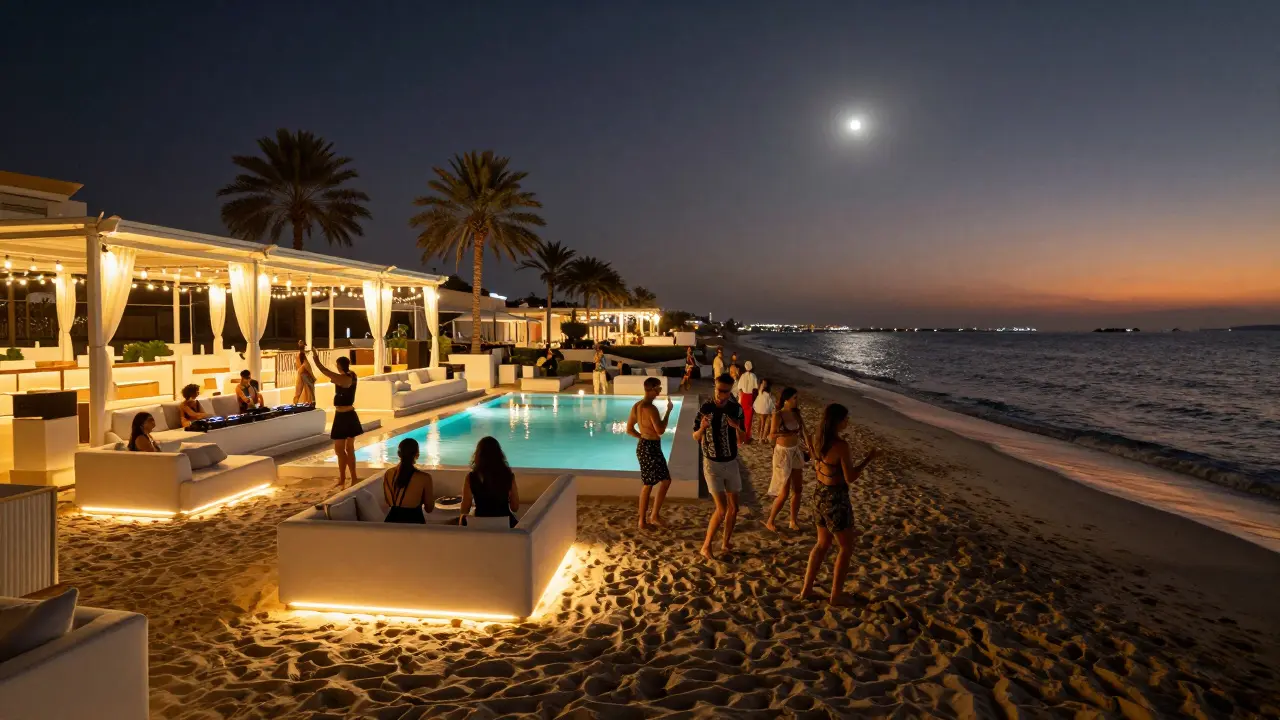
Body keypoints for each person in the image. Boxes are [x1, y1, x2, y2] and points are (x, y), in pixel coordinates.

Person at [797, 403, 880, 606]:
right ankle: (836, 595)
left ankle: (806, 590)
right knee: (845, 547)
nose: (848, 421)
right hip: (835, 499)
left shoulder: (818, 440)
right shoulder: (841, 446)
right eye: (846, 419)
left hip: (819, 495)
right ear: (838, 421)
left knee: (821, 544)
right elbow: (850, 477)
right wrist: (868, 459)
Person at [694, 374, 745, 560]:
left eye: (724, 391)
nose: (720, 393)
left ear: (730, 390)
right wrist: (702, 428)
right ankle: (706, 547)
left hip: (731, 462)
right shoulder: (705, 407)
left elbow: (742, 441)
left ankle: (725, 542)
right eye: (718, 389)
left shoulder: (736, 409)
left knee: (734, 508)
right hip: (712, 464)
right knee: (722, 509)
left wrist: (736, 428)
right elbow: (695, 437)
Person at [626, 377, 674, 530]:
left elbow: (629, 429)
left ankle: (649, 517)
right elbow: (660, 430)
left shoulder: (637, 406)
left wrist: (642, 437)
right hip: (651, 447)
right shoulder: (650, 408)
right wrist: (668, 411)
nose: (660, 390)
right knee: (652, 484)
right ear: (652, 388)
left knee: (658, 482)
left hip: (644, 446)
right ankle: (649, 518)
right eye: (658, 388)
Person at [312, 349, 362, 488]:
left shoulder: (346, 378)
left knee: (346, 449)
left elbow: (323, 370)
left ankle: (352, 478)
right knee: (341, 449)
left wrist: (315, 357)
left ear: (339, 365)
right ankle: (343, 478)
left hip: (347, 415)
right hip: (342, 415)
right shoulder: (350, 375)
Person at [765, 387, 809, 532]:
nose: (797, 400)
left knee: (797, 489)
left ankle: (793, 520)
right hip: (782, 454)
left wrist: (811, 449)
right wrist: (785, 433)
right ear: (787, 399)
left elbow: (805, 432)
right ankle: (770, 521)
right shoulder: (778, 415)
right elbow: (771, 435)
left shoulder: (797, 414)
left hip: (796, 451)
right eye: (795, 398)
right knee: (783, 493)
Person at [460, 436, 520, 528]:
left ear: (478, 455)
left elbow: (465, 508)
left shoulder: (471, 477)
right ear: (499, 455)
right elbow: (515, 507)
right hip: (504, 523)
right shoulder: (508, 476)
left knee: (462, 519)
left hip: (480, 522)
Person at [382, 438, 434, 523]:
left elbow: (388, 502)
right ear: (417, 455)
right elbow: (429, 508)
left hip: (391, 522)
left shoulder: (388, 474)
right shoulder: (425, 478)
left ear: (399, 454)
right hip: (414, 523)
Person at [735, 360, 760, 443]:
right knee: (748, 419)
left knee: (742, 417)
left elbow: (739, 387)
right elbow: (756, 388)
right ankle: (747, 437)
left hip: (743, 397)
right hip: (750, 397)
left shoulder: (742, 376)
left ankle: (741, 436)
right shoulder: (753, 376)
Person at [294, 340, 316, 404]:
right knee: (308, 393)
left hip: (303, 374)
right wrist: (313, 376)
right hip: (305, 375)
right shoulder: (301, 355)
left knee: (303, 392)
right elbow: (305, 365)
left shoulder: (301, 355)